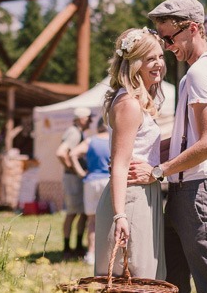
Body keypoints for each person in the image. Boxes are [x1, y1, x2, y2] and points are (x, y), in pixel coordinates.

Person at [128, 0, 207, 293]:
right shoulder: (197, 72)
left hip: (197, 193)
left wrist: (158, 171)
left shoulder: (201, 73)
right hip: (184, 193)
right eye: (163, 41)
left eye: (169, 38)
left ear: (193, 29)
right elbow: (189, 139)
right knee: (172, 283)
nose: (168, 47)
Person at [95, 27, 167, 280]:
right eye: (150, 59)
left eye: (160, 56)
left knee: (146, 275)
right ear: (135, 63)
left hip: (147, 194)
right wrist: (120, 215)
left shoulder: (139, 101)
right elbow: (119, 164)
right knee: (134, 275)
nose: (159, 64)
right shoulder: (129, 104)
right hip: (131, 197)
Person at [71, 116, 111, 264]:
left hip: (91, 181)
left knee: (92, 220)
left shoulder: (90, 140)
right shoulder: (113, 139)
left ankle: (91, 254)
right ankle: (108, 254)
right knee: (111, 218)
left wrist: (81, 172)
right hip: (109, 180)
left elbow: (73, 153)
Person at [56, 106, 92, 258]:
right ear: (82, 119)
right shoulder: (74, 132)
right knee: (73, 213)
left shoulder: (76, 132)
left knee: (80, 213)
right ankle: (68, 248)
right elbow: (61, 153)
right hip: (73, 179)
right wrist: (74, 170)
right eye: (89, 118)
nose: (91, 121)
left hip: (73, 178)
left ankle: (75, 246)